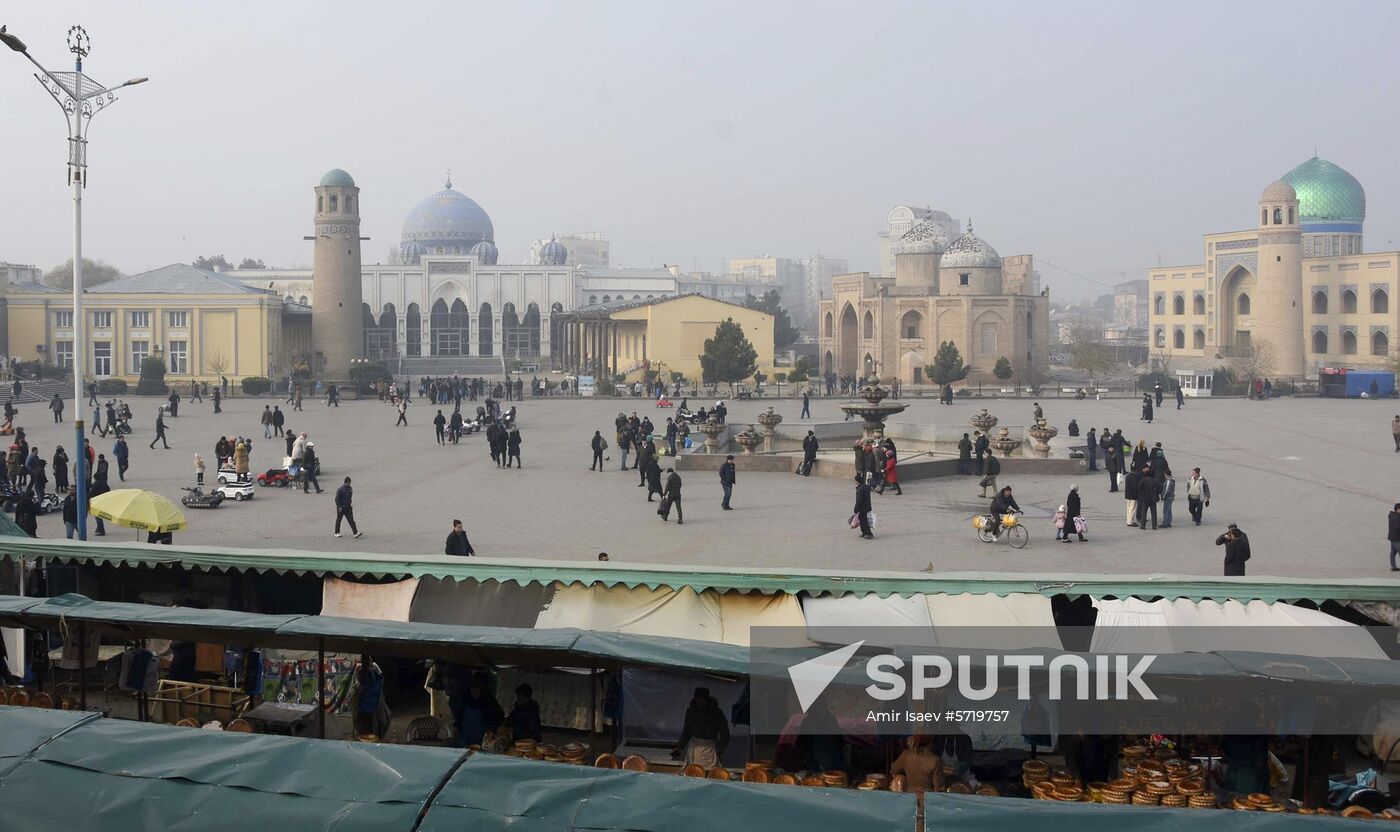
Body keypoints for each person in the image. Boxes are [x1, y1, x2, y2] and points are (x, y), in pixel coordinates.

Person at [1135, 466, 1159, 530]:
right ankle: (1154, 525)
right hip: (1153, 498)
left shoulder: (1144, 480)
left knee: (1144, 511)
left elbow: (1139, 487)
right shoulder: (1156, 481)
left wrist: (1142, 492)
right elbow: (1160, 489)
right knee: (1154, 512)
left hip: (1145, 498)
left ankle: (1143, 525)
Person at [853, 474, 873, 539]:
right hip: (867, 506)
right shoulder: (866, 486)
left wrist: (856, 508)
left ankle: (869, 533)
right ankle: (864, 532)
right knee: (862, 519)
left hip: (862, 507)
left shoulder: (860, 489)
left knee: (864, 520)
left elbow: (859, 500)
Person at [1389, 503, 1400, 572]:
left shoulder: (1392, 515)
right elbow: (1397, 528)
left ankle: (1393, 566)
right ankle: (1393, 567)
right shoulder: (1397, 517)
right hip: (1397, 538)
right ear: (1398, 510)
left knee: (1393, 552)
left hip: (1392, 537)